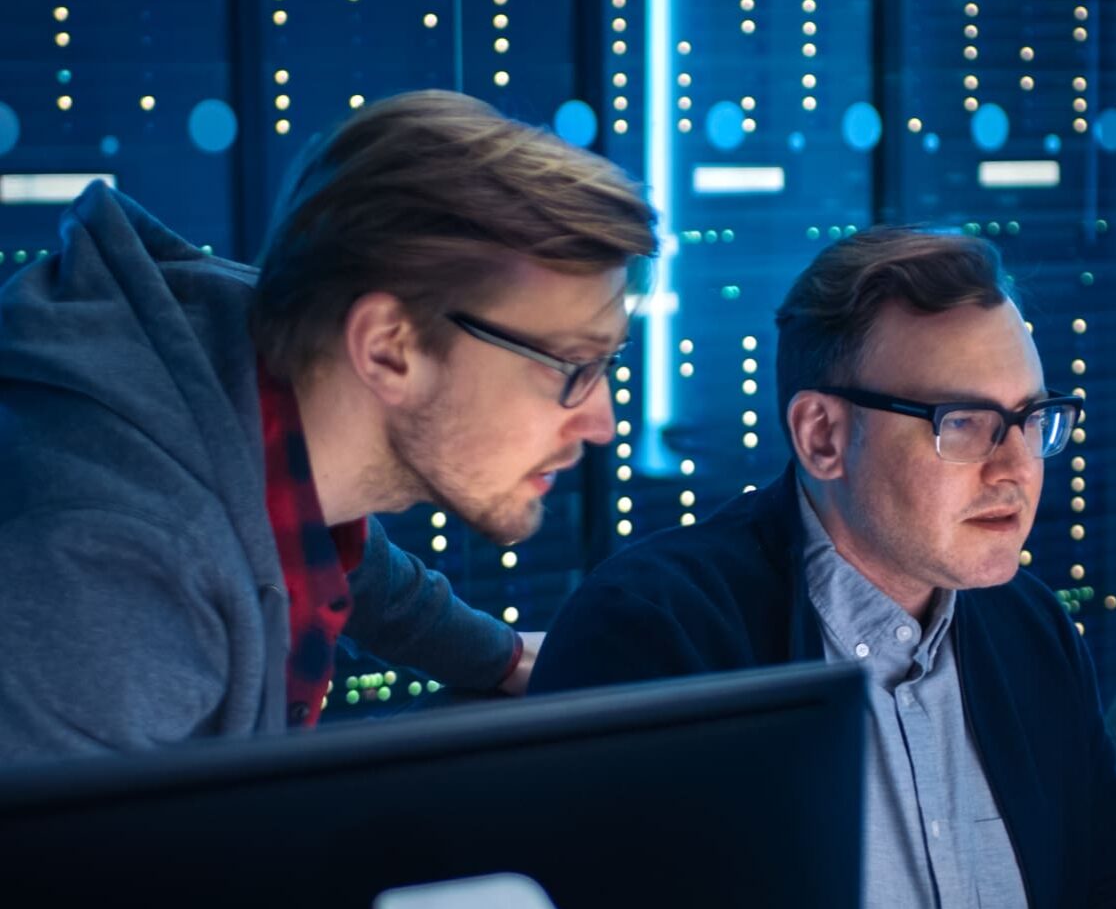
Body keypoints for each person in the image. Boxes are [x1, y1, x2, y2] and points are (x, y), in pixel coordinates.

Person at [530, 228, 1116, 909]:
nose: (1017, 466)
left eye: (1031, 417)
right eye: (964, 423)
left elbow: (1111, 901)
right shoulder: (660, 633)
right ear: (823, 435)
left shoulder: (1026, 626)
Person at [0, 90, 655, 763]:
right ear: (387, 348)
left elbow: (354, 564)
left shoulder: (243, 401)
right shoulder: (111, 583)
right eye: (571, 364)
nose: (601, 421)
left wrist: (500, 655)